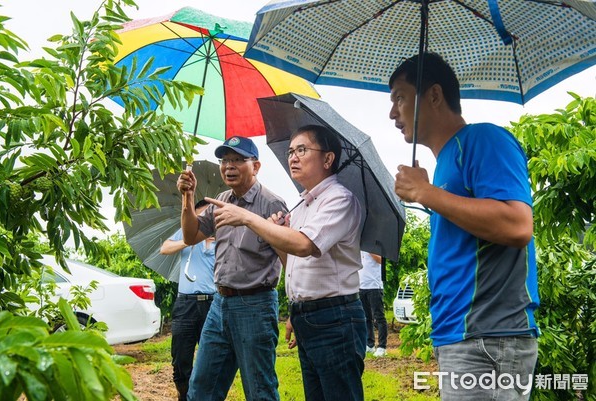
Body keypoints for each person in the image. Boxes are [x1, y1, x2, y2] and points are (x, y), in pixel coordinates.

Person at [391, 52, 540, 400]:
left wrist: (426, 193)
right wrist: (429, 190)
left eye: (400, 96)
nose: (392, 112)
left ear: (434, 95)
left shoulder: (484, 140)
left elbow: (518, 226)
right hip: (461, 337)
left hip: (488, 339)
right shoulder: (444, 163)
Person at [207, 125, 367, 401]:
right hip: (309, 315)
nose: (292, 157)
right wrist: (296, 309)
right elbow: (293, 262)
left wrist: (248, 218)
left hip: (335, 318)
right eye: (291, 151)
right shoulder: (304, 205)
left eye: (302, 150)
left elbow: (304, 246)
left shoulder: (339, 199)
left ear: (328, 159)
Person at [176, 136, 287, 401]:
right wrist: (187, 197)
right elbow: (191, 236)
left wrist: (293, 307)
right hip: (219, 304)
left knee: (260, 390)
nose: (229, 166)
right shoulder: (221, 200)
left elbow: (288, 259)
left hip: (255, 305)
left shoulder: (272, 204)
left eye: (238, 160)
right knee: (201, 389)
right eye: (225, 160)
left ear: (256, 166)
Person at [159, 199, 216, 401]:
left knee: (211, 355)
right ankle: (184, 395)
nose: (206, 220)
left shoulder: (222, 240)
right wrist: (191, 239)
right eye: (201, 217)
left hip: (213, 303)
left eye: (210, 217)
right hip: (186, 304)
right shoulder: (186, 234)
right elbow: (164, 248)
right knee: (180, 356)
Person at [359, 251, 388, 358]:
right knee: (366, 318)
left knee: (379, 317)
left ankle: (382, 347)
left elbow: (382, 260)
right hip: (361, 285)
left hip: (374, 285)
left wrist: (370, 251)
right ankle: (369, 344)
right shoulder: (359, 244)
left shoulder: (376, 245)